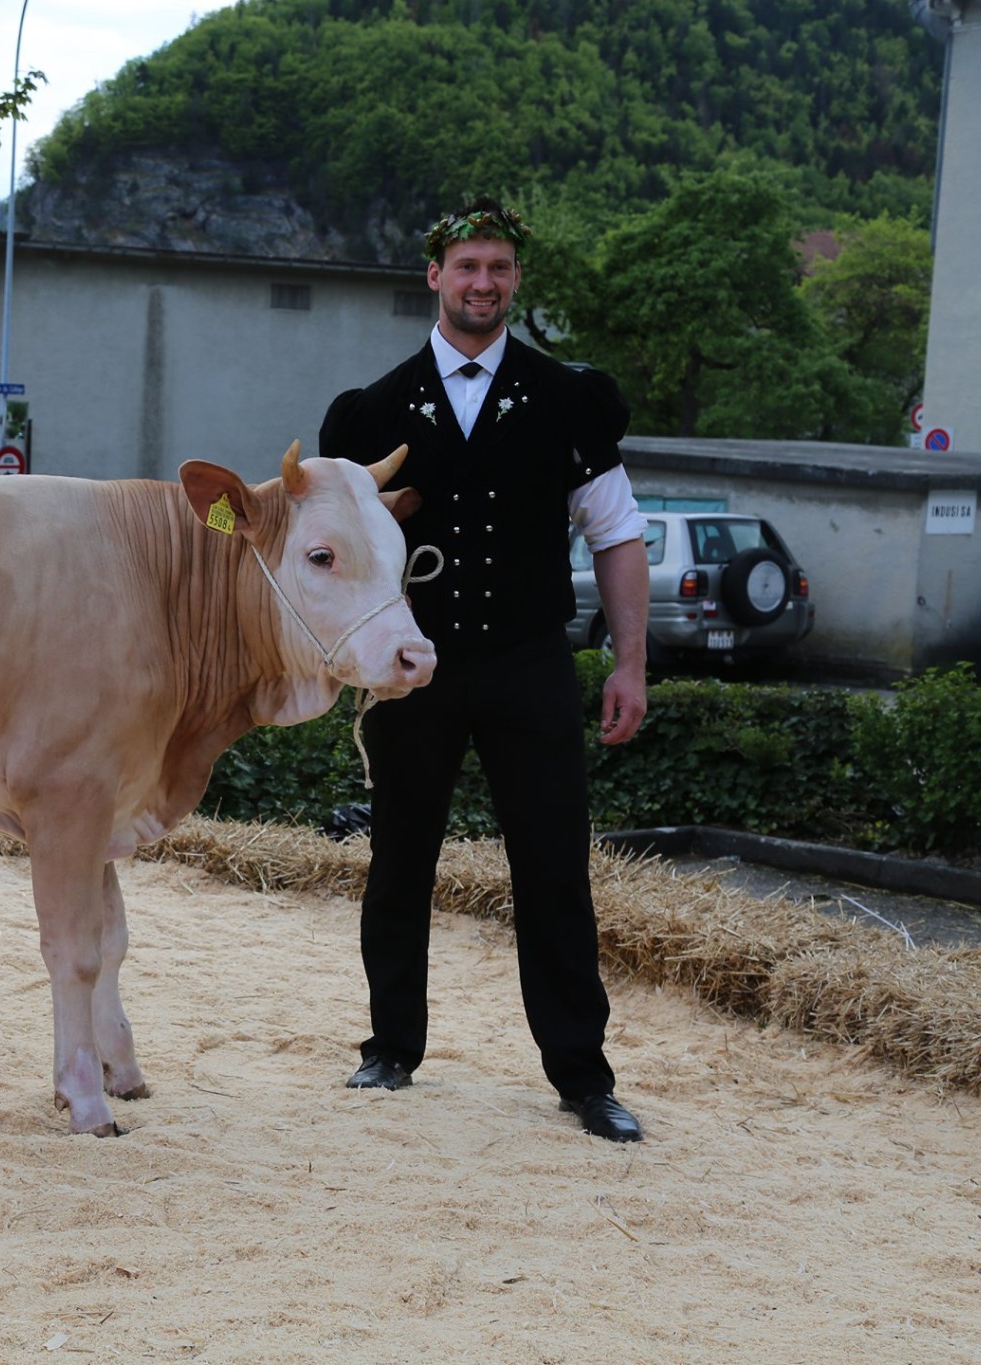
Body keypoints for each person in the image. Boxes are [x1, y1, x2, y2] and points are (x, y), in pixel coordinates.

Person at [317, 198, 652, 1142]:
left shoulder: (568, 398)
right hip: (414, 670)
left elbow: (619, 535)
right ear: (435, 276)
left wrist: (630, 661)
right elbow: (335, 547)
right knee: (399, 859)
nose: (483, 283)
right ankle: (389, 1046)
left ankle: (584, 1078)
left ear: (514, 280)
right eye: (467, 266)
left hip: (530, 663)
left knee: (552, 866)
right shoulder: (372, 410)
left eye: (499, 268)